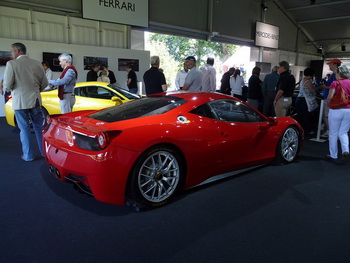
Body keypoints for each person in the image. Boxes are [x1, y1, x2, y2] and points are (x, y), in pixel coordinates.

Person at [3, 42, 48, 161]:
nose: (12, 53)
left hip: (20, 102)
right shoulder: (37, 63)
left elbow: (7, 85)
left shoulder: (11, 64)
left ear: (18, 51)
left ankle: (28, 156)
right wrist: (35, 91)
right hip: (36, 100)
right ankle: (45, 153)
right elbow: (45, 84)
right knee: (39, 127)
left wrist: (9, 88)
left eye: (12, 51)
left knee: (24, 129)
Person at [326, 65, 350, 162]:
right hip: (348, 110)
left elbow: (329, 97)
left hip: (336, 110)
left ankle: (333, 155)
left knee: (333, 133)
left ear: (339, 73)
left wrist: (329, 104)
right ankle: (345, 151)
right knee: (343, 132)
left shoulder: (335, 83)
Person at [320, 59, 342, 139]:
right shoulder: (334, 74)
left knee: (326, 116)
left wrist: (325, 87)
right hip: (330, 98)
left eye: (330, 64)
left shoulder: (336, 74)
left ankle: (330, 131)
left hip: (331, 98)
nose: (329, 66)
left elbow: (336, 87)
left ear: (335, 64)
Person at [295, 68, 318, 134]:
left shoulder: (302, 80)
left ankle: (298, 129)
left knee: (300, 115)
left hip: (299, 99)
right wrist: (319, 88)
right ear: (310, 75)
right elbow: (313, 90)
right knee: (306, 115)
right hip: (304, 100)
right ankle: (307, 130)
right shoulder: (308, 82)